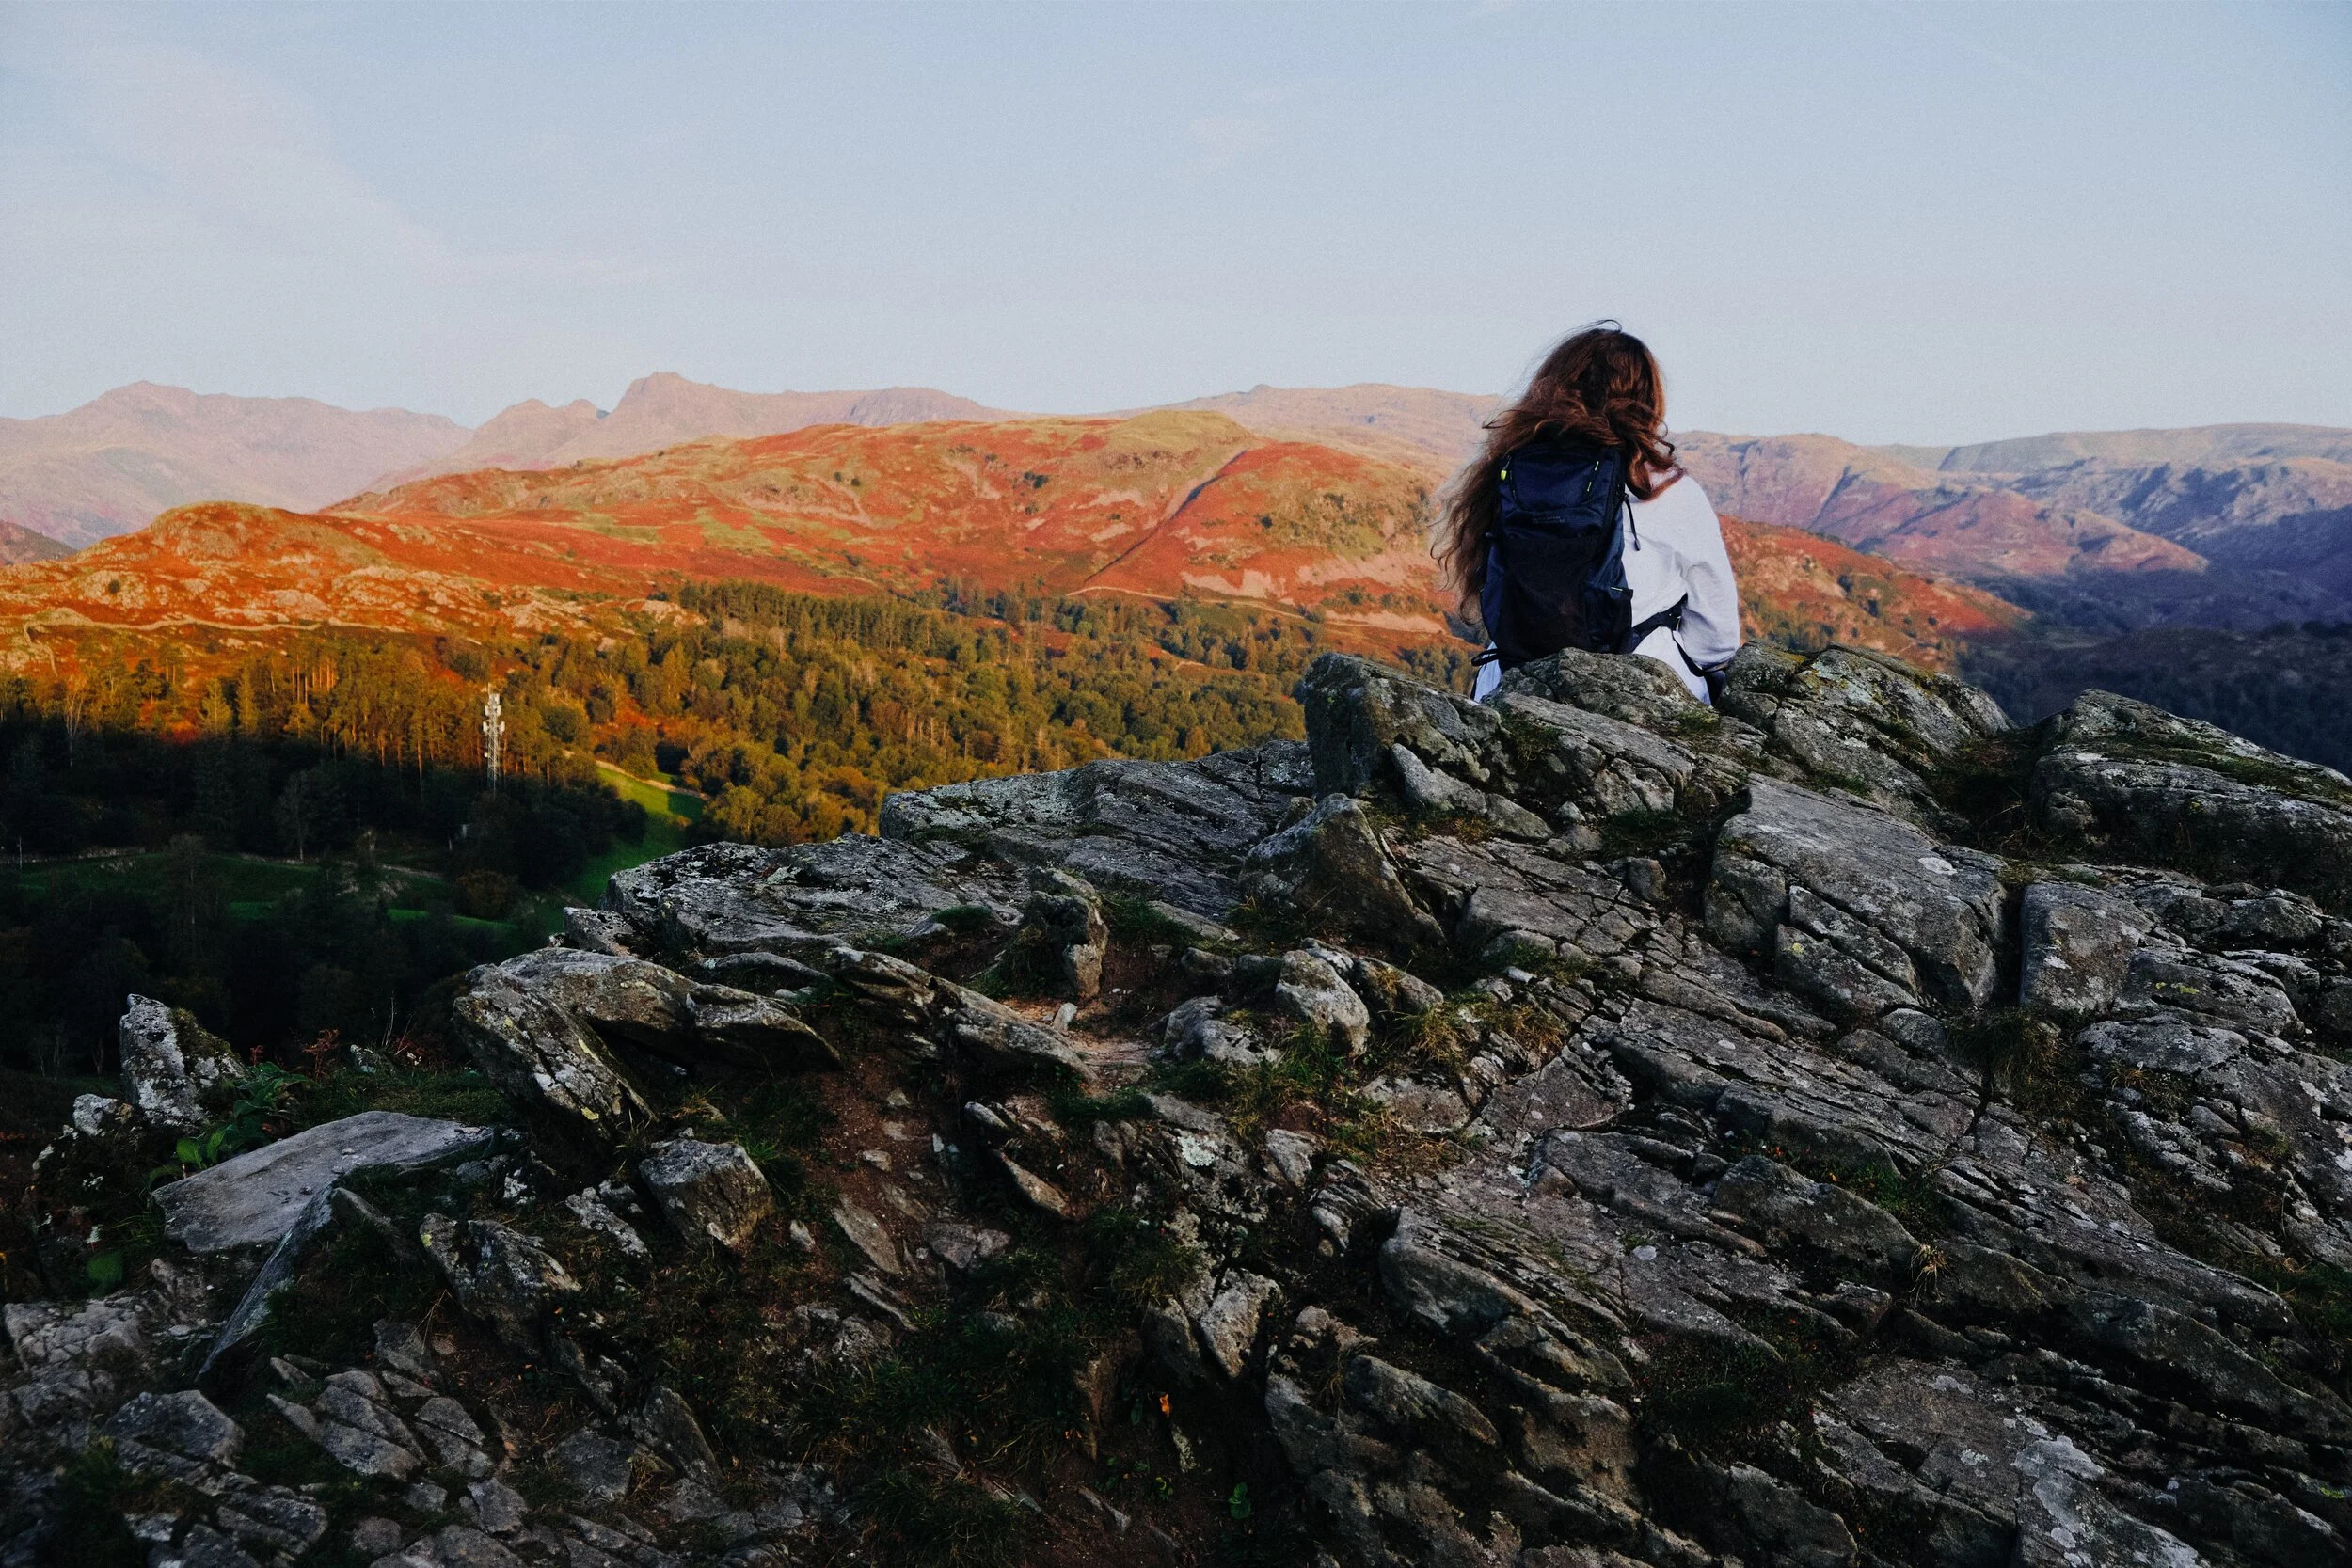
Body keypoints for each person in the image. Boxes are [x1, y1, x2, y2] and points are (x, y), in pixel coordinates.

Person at [1436, 323, 1740, 705]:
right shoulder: (1666, 489)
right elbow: (1717, 639)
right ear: (1648, 399)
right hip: (1640, 694)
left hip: (1510, 687)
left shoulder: (1509, 472)